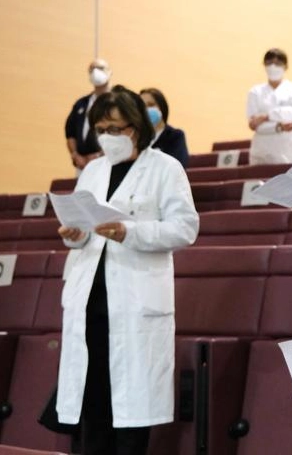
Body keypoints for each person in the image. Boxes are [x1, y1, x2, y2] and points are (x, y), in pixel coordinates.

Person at [55, 85, 199, 454]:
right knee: (93, 408)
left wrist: (128, 232)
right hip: (91, 305)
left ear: (136, 128)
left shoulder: (165, 168)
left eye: (116, 128)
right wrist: (74, 234)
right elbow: (84, 233)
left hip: (135, 305)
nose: (108, 137)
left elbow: (185, 228)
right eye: (101, 129)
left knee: (131, 416)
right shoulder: (93, 171)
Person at [246, 48, 292, 165]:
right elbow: (254, 124)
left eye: (278, 63)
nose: (273, 67)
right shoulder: (255, 92)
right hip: (262, 152)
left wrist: (266, 117)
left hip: (290, 151)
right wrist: (279, 125)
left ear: (285, 66)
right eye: (269, 63)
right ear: (264, 65)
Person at [65, 59, 113, 171]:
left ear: (110, 72)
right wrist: (75, 155)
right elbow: (70, 132)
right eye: (92, 69)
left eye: (100, 68)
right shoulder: (81, 104)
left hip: (108, 163)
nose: (96, 72)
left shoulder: (118, 102)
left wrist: (100, 155)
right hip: (82, 165)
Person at [140, 87, 190, 167]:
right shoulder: (138, 138)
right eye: (142, 106)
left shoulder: (175, 136)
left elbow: (178, 165)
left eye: (151, 105)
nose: (146, 110)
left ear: (162, 107)